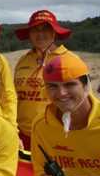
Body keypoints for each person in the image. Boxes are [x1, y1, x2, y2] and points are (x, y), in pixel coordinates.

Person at [13, 10, 77, 150]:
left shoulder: (69, 59)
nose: (40, 34)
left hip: (55, 133)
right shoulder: (23, 61)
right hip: (22, 135)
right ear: (29, 34)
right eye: (35, 29)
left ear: (54, 32)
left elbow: (82, 100)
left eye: (45, 29)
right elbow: (13, 97)